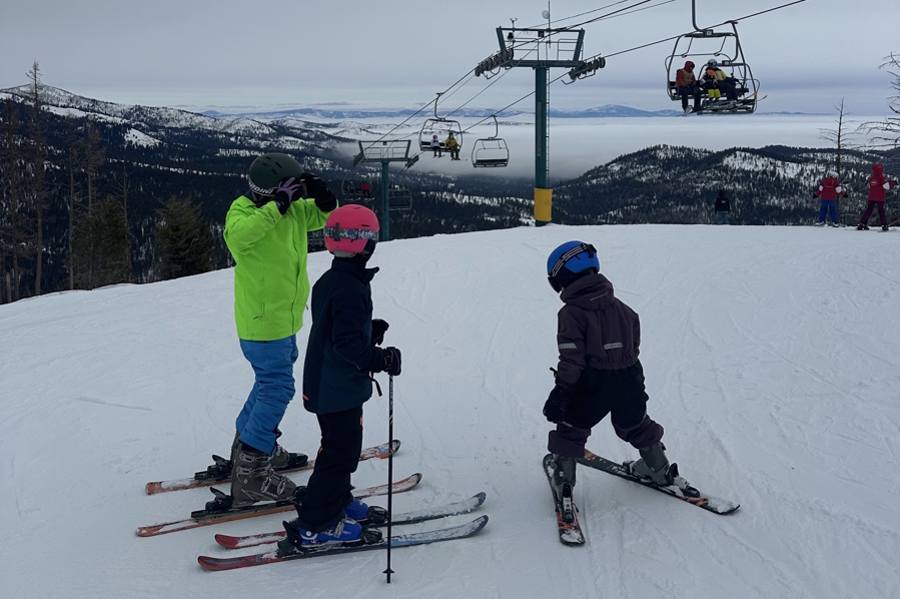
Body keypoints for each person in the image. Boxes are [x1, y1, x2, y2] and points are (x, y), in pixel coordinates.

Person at [222, 153, 338, 507]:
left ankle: (249, 447)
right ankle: (252, 472)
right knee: (278, 387)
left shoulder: (292, 211)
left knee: (268, 382)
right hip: (261, 323)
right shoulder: (242, 212)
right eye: (291, 189)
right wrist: (278, 206)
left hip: (283, 322)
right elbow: (239, 238)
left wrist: (324, 197)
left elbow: (328, 219)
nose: (296, 195)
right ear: (271, 193)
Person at [543, 241, 689, 520]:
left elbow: (572, 359)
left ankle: (564, 479)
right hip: (629, 377)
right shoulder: (625, 309)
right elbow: (633, 347)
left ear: (562, 276)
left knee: (572, 426)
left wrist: (562, 390)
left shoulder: (571, 313)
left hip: (593, 382)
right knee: (635, 421)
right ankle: (658, 467)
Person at [283, 204, 402, 545]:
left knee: (342, 448)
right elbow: (347, 344)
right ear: (364, 243)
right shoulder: (350, 286)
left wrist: (368, 331)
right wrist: (379, 358)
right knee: (339, 453)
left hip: (330, 383)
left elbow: (333, 328)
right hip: (335, 387)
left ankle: (337, 502)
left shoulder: (334, 279)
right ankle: (315, 523)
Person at [857, 163, 897, 231]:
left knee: (869, 211)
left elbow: (869, 186)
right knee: (881, 211)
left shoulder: (872, 178)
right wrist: (893, 183)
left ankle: (862, 223)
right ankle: (884, 225)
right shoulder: (882, 178)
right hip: (880, 198)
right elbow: (886, 187)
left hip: (871, 197)